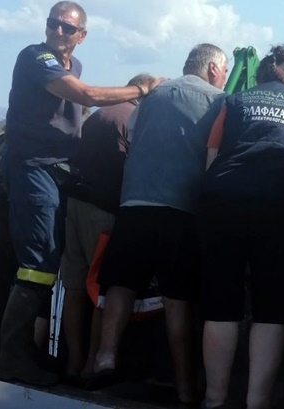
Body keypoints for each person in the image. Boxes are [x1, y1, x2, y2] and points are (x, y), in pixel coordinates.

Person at [0, 1, 164, 387]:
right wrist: (140, 89)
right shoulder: (36, 57)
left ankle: (29, 353)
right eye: (53, 23)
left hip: (59, 174)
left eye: (67, 28)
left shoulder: (76, 65)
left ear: (81, 36)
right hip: (34, 170)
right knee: (38, 264)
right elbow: (84, 95)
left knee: (49, 266)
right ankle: (11, 358)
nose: (58, 31)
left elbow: (75, 110)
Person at [87, 43, 228, 404]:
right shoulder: (219, 100)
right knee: (177, 299)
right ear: (214, 69)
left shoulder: (152, 94)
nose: (225, 77)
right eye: (225, 70)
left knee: (121, 284)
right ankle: (185, 389)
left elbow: (134, 138)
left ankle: (105, 357)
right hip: (180, 209)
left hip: (134, 204)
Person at [197, 45, 284, 409]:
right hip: (277, 204)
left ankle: (214, 398)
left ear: (257, 78)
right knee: (271, 309)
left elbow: (211, 157)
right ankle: (257, 402)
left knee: (221, 304)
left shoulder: (234, 101)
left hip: (223, 200)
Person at [58, 73, 155, 385]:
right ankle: (91, 367)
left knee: (75, 287)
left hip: (74, 205)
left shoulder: (99, 116)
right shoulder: (133, 119)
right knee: (103, 291)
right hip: (103, 211)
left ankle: (72, 364)